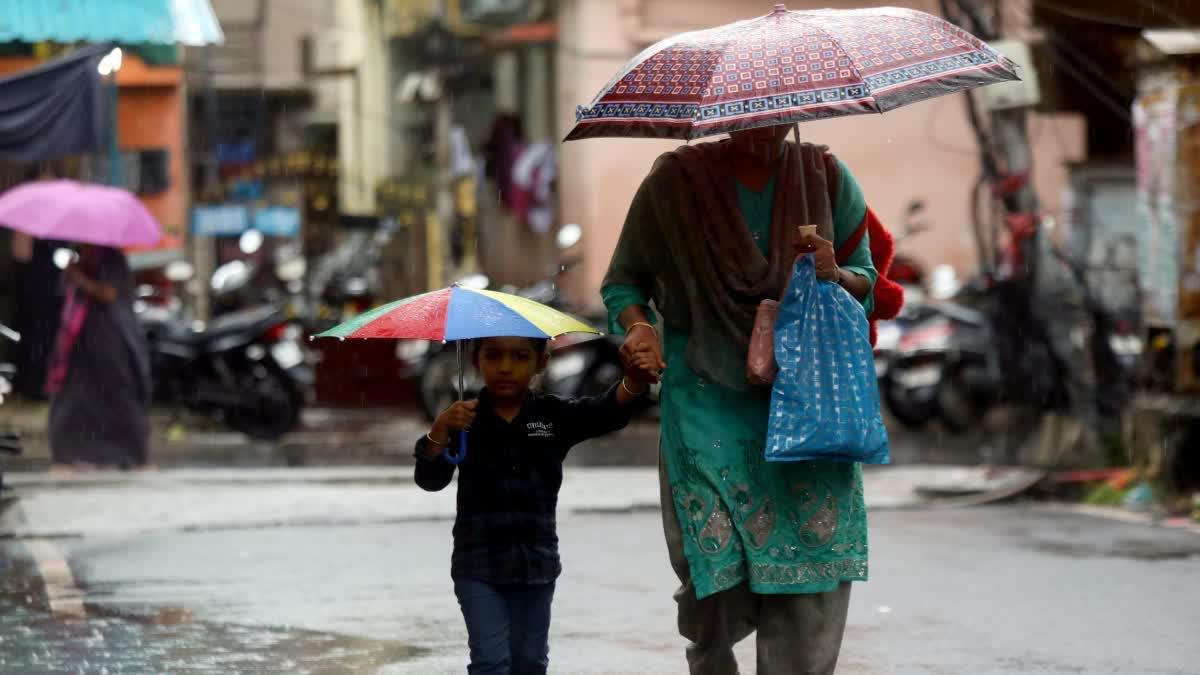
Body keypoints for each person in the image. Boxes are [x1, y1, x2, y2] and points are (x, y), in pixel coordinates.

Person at [603, 124, 879, 674]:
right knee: (712, 576)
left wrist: (835, 273)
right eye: (754, 115)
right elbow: (623, 282)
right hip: (708, 402)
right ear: (732, 113)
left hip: (807, 405)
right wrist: (637, 329)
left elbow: (868, 282)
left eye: (779, 113)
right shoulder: (675, 184)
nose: (765, 127)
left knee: (811, 579)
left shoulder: (825, 177)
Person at [414, 335, 659, 674]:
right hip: (477, 566)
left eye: (519, 357)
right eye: (494, 356)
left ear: (541, 363)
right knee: (491, 661)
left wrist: (632, 381)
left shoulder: (552, 415)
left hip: (536, 566)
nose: (505, 367)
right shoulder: (463, 419)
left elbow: (604, 412)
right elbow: (430, 479)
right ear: (476, 361)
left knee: (530, 661)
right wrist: (440, 429)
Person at [46, 244, 152, 472]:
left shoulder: (111, 257)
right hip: (80, 343)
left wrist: (78, 277)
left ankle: (135, 456)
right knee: (71, 400)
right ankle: (66, 456)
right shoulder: (81, 257)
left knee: (120, 397)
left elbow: (109, 293)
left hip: (110, 338)